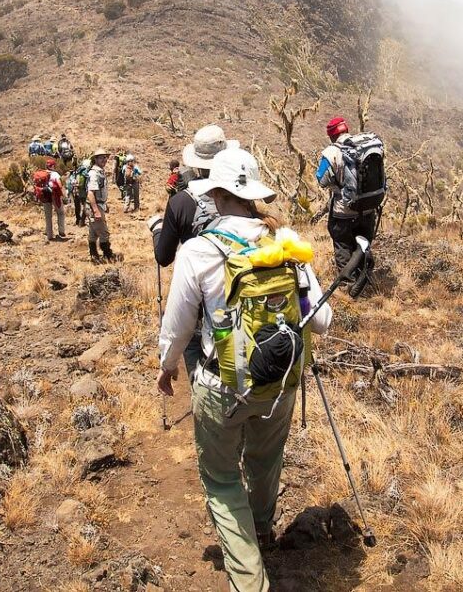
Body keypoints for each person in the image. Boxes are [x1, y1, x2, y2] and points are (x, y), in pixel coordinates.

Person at [157, 147, 332, 592]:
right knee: (265, 458)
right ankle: (261, 530)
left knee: (220, 477)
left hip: (223, 383)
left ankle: (249, 577)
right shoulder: (285, 244)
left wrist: (167, 367)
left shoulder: (199, 250)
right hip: (280, 382)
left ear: (215, 194)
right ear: (251, 193)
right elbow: (322, 320)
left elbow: (177, 325)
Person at [147, 125, 242, 377]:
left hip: (200, 303)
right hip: (241, 294)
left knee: (199, 359)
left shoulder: (180, 202)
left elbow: (163, 257)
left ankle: (201, 396)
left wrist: (158, 229)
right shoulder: (242, 197)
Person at [316, 117, 380, 293]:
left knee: (343, 244)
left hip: (344, 210)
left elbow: (322, 180)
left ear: (331, 135)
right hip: (368, 207)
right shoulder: (367, 145)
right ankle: (366, 281)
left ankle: (348, 286)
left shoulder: (331, 152)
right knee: (363, 243)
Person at [87, 148, 119, 263]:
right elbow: (90, 193)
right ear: (95, 159)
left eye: (105, 157)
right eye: (101, 157)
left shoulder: (100, 172)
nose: (104, 159)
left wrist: (104, 204)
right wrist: (96, 210)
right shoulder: (94, 174)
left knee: (93, 232)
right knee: (103, 232)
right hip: (95, 206)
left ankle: (93, 255)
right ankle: (108, 255)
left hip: (98, 205)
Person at [42, 158, 66, 242]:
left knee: (48, 216)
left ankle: (49, 235)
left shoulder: (42, 173)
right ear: (52, 166)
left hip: (45, 195)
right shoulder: (55, 174)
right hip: (54, 195)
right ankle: (61, 231)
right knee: (60, 213)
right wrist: (63, 195)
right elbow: (59, 185)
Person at [67, 159, 90, 226]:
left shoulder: (78, 171)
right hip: (83, 191)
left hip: (76, 191)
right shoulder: (86, 172)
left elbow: (72, 180)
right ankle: (82, 221)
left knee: (77, 206)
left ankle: (78, 219)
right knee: (85, 206)